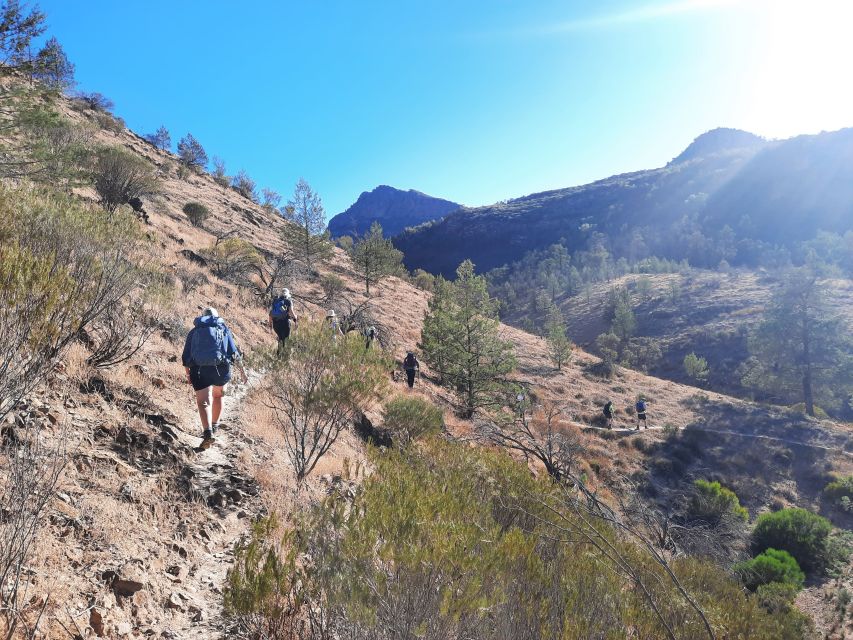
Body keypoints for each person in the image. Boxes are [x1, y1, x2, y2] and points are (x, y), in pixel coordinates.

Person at [182, 307, 247, 449]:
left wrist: (188, 374)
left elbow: (186, 357)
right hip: (221, 370)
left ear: (202, 317)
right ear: (217, 317)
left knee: (203, 402)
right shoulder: (223, 329)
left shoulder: (194, 332)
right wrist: (242, 371)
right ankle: (215, 425)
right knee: (218, 396)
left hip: (199, 370)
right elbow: (234, 352)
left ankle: (207, 433)